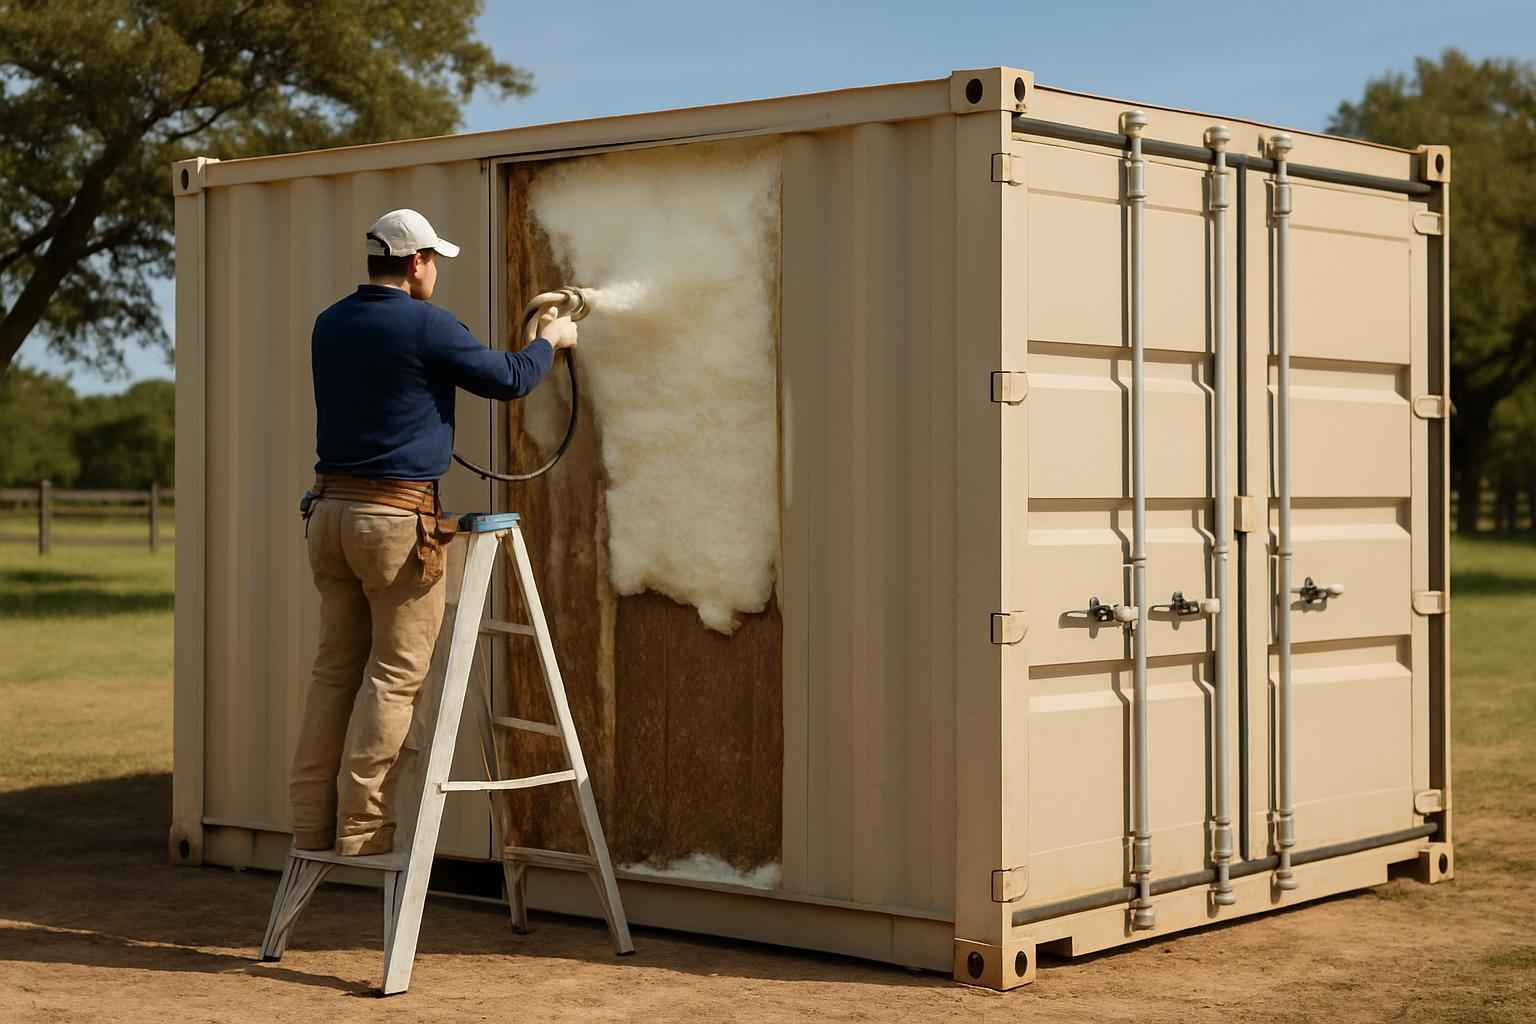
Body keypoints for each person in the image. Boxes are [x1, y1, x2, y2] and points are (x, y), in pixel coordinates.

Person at [288, 208, 577, 856]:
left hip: (329, 515)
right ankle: (363, 829)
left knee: (334, 672)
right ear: (416, 262)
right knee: (394, 678)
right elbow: (510, 379)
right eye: (434, 261)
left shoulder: (328, 324)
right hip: (394, 523)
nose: (437, 271)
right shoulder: (427, 325)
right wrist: (550, 342)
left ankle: (311, 823)